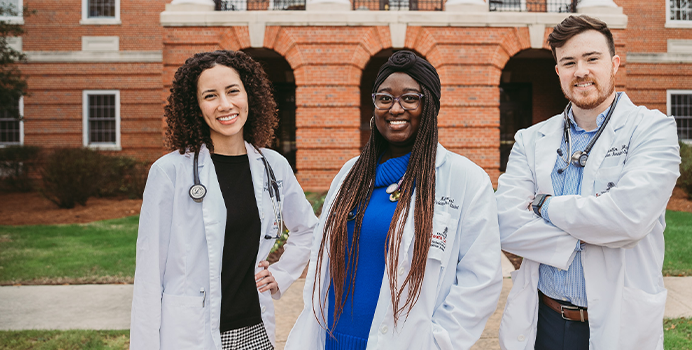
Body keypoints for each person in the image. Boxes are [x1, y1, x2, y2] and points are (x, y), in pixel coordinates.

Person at [285, 50, 502, 350]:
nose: (395, 108)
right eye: (384, 98)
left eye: (410, 98)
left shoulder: (465, 179)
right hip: (330, 339)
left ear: (430, 106)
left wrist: (437, 342)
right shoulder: (351, 173)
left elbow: (481, 281)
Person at [496, 15, 681, 350]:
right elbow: (506, 222)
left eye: (591, 59)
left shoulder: (652, 130)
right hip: (544, 322)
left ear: (614, 64)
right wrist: (583, 238)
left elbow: (628, 219)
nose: (580, 71)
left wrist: (543, 205)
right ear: (558, 72)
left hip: (619, 324)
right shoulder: (531, 139)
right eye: (568, 62)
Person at [129, 50, 318, 349]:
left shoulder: (273, 165)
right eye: (210, 95)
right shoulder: (170, 172)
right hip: (192, 334)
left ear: (249, 95)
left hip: (254, 331)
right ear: (196, 105)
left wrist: (280, 275)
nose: (225, 104)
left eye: (233, 91)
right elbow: (149, 275)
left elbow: (309, 229)